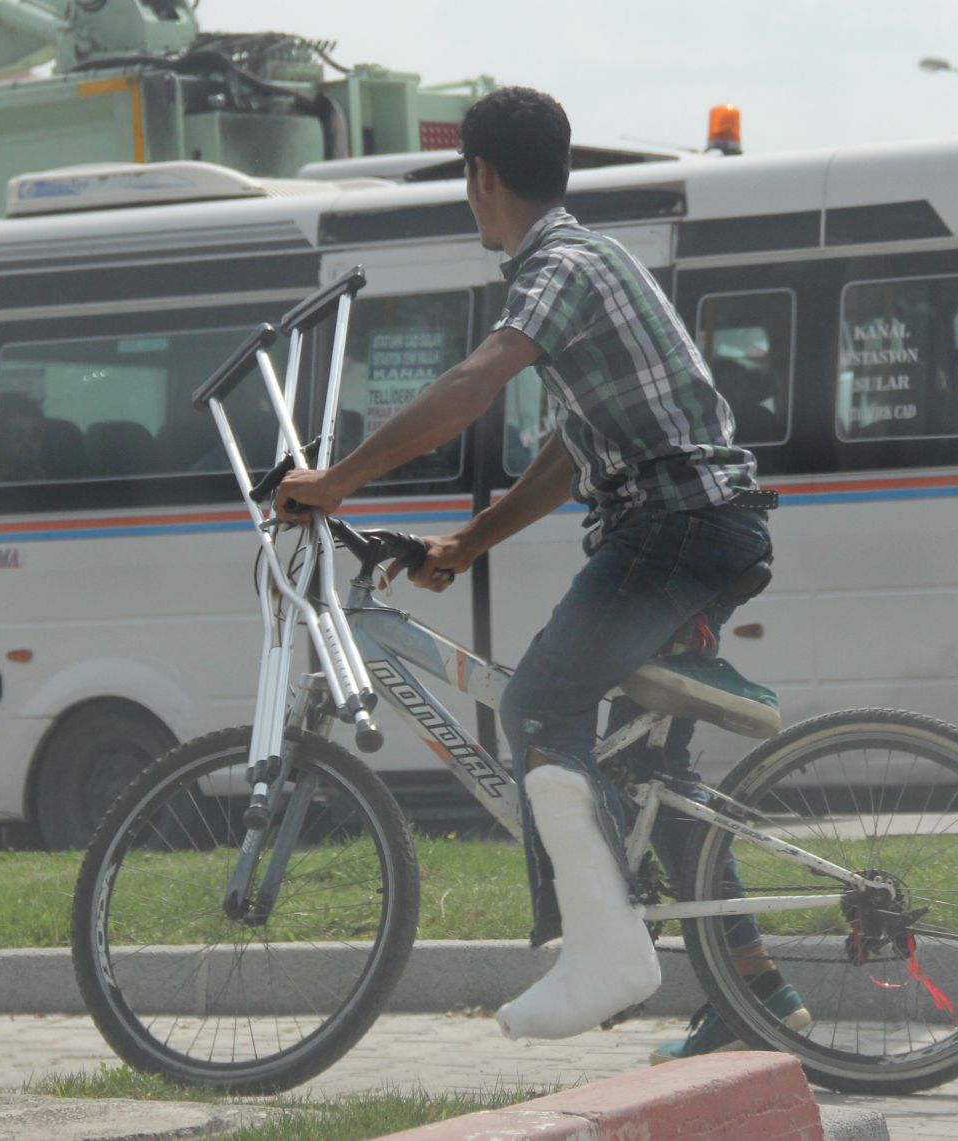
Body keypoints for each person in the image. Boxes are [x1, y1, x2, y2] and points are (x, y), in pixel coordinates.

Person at [275, 87, 800, 1050]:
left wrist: (338, 480)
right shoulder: (590, 261)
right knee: (649, 779)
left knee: (535, 709)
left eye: (467, 184)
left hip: (673, 529)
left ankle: (604, 953)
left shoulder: (554, 266)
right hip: (705, 526)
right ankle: (759, 998)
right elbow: (569, 452)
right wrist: (466, 544)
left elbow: (475, 384)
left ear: (482, 175)